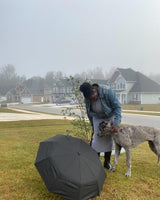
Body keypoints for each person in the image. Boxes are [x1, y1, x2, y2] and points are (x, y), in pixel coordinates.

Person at [79, 82, 121, 169]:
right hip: (97, 117)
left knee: (108, 140)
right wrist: (92, 123)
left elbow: (117, 107)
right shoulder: (87, 98)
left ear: (95, 91)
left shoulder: (107, 91)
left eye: (93, 97)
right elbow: (88, 111)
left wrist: (116, 123)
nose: (92, 100)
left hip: (109, 116)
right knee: (96, 141)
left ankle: (106, 162)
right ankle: (95, 163)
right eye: (90, 99)